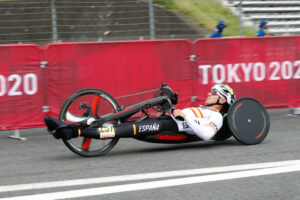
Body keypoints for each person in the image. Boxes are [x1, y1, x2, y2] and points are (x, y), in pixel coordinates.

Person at [44, 84, 236, 141]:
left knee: (123, 130)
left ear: (222, 99)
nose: (208, 94)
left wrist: (184, 116)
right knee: (125, 118)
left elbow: (206, 134)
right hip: (166, 119)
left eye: (213, 93)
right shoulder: (203, 109)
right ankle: (77, 124)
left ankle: (70, 131)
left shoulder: (217, 117)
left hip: (167, 127)